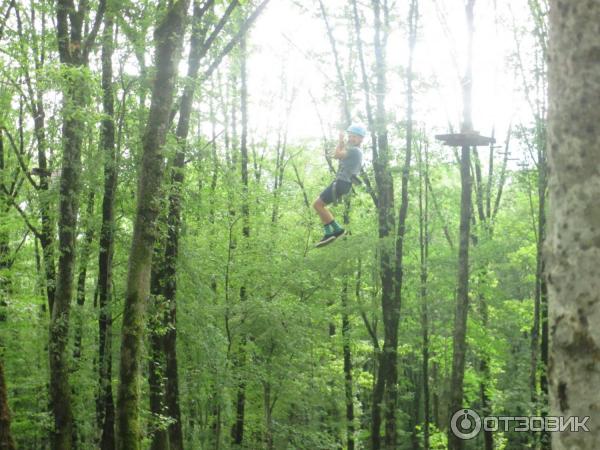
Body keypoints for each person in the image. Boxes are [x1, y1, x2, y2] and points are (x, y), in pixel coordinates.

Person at [313, 124, 365, 247]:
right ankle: (332, 231)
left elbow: (336, 155)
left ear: (361, 139)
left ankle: (336, 230)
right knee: (320, 205)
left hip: (342, 183)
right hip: (344, 184)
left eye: (355, 137)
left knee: (317, 204)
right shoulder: (356, 151)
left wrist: (340, 140)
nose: (351, 138)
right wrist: (342, 142)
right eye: (350, 136)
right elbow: (340, 154)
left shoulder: (354, 150)